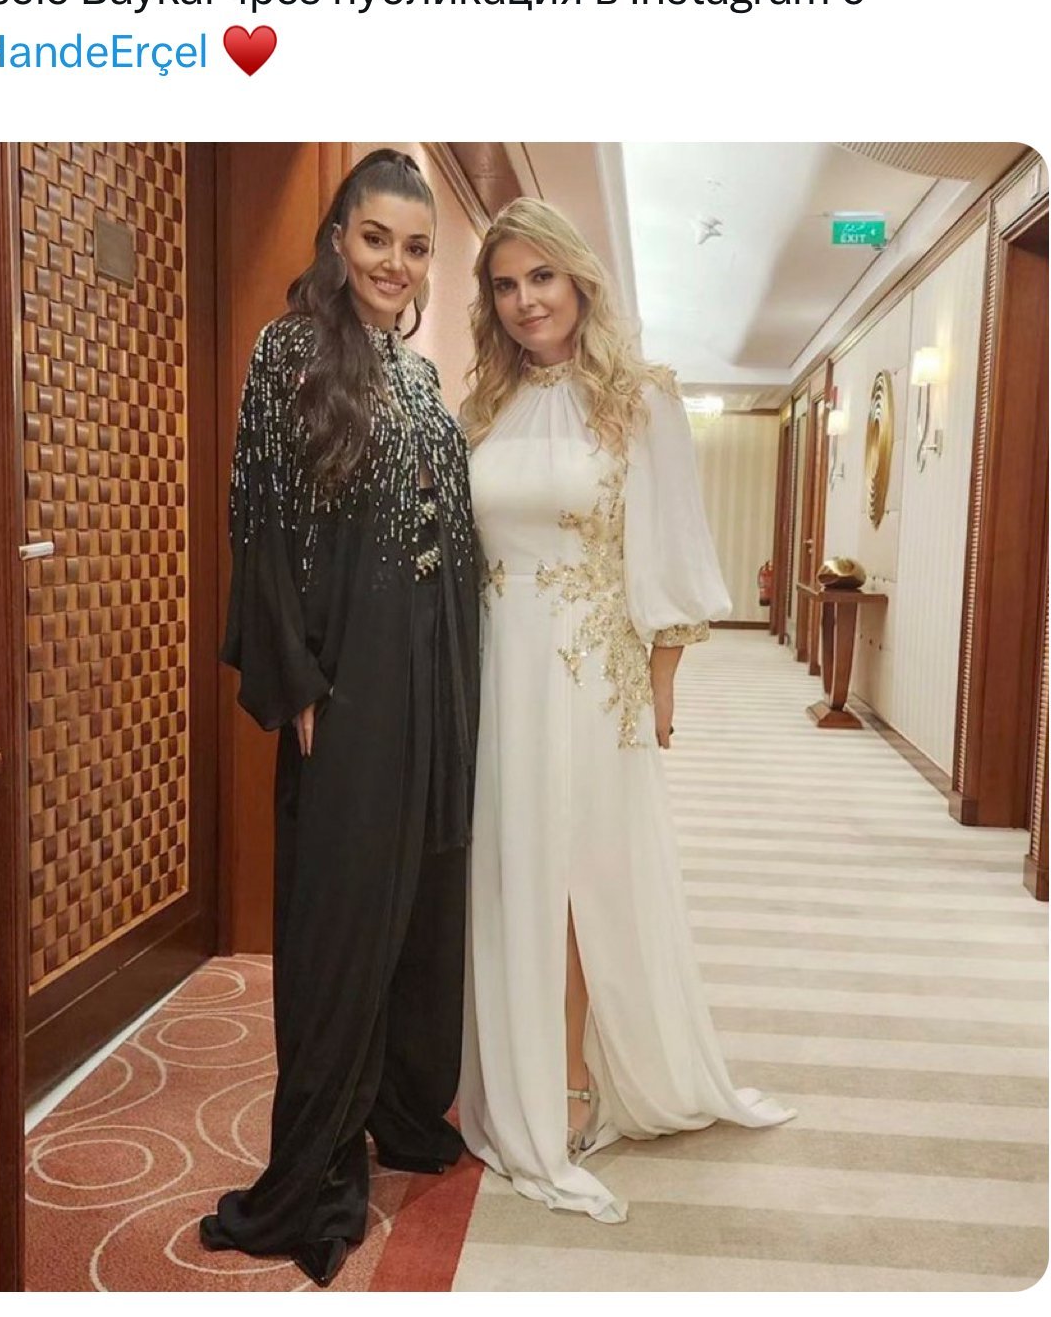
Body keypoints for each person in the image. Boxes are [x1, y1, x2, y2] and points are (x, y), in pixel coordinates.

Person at [457, 198, 794, 1223]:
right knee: (510, 867)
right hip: (496, 663)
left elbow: (672, 547)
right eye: (505, 286)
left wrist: (660, 686)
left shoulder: (639, 398)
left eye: (541, 278)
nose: (525, 302)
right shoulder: (484, 406)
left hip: (588, 668)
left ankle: (570, 1077)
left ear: (579, 279)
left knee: (577, 873)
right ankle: (511, 1064)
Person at [200, 149, 480, 1285]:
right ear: (337, 238)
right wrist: (299, 679)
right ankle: (313, 1172)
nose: (394, 264)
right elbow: (260, 523)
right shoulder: (290, 354)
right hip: (350, 680)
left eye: (415, 247)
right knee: (341, 920)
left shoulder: (419, 375)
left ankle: (400, 1111)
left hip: (430, 671)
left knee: (418, 902)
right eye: (376, 238)